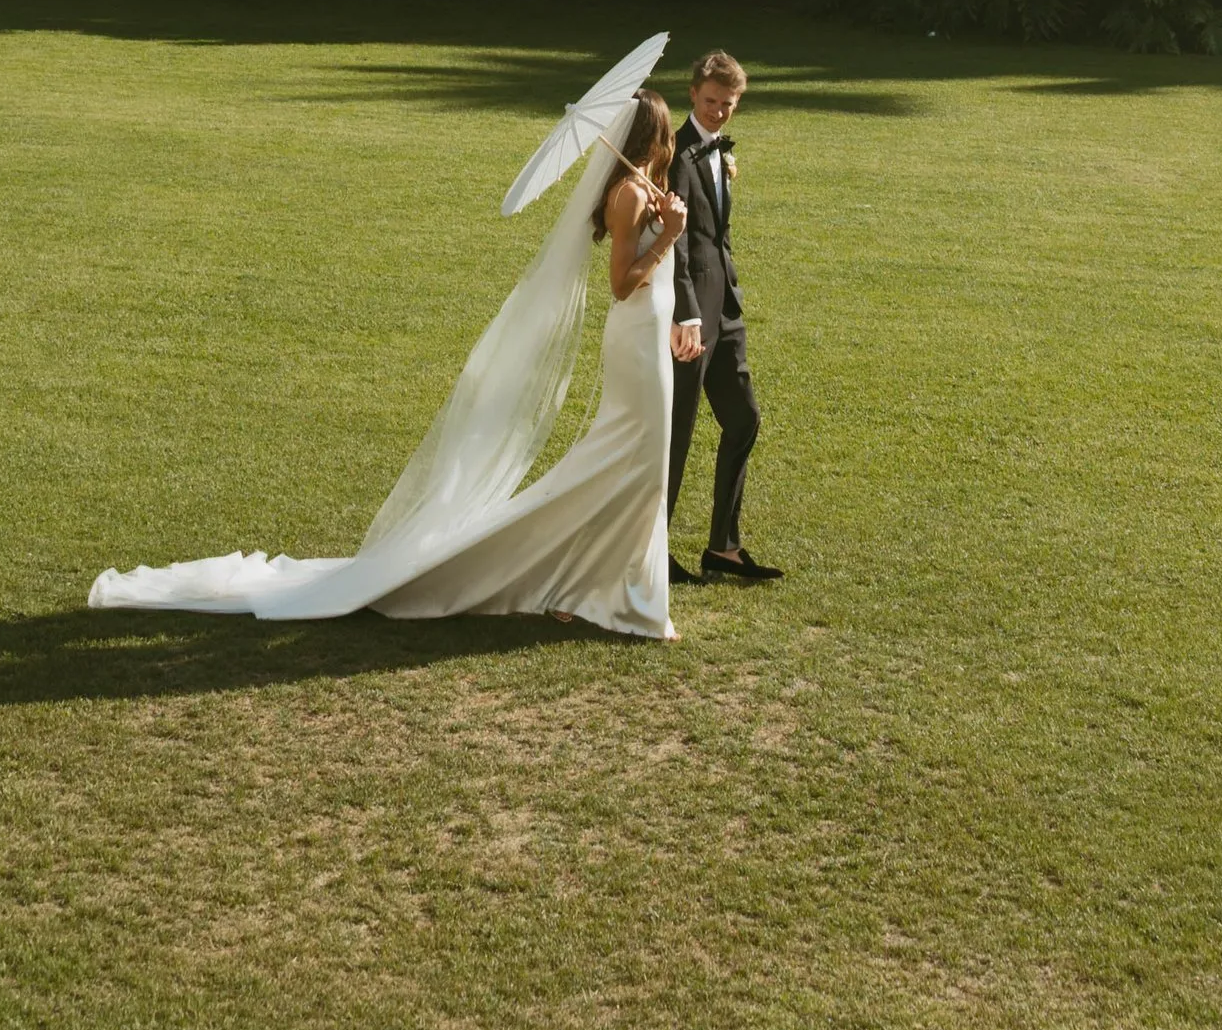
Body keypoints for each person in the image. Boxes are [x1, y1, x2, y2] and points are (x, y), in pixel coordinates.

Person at [89, 53, 687, 643]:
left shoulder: (641, 189)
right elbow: (621, 284)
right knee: (635, 463)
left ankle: (604, 587)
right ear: (654, 135)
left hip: (646, 342)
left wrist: (664, 228)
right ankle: (612, 594)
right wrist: (669, 239)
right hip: (635, 344)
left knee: (635, 467)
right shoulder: (630, 197)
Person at [668, 49, 782, 585]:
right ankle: (653, 551)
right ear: (693, 94)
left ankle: (723, 546)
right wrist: (686, 316)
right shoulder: (673, 153)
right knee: (676, 434)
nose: (718, 112)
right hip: (690, 319)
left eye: (728, 104)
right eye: (711, 102)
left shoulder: (718, 151)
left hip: (727, 311)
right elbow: (676, 248)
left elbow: (715, 235)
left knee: (744, 420)